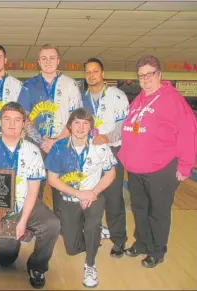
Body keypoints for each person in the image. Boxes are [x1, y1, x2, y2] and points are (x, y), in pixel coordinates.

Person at [0, 102, 60, 289]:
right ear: (0, 123)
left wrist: (23, 220)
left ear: (23, 124)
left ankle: (37, 266)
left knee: (52, 224)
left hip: (27, 204)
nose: (12, 124)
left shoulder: (32, 151)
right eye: (7, 119)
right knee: (5, 260)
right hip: (0, 210)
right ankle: (14, 242)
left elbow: (34, 190)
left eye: (17, 120)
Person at [118, 55, 197, 268]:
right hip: (136, 168)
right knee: (140, 209)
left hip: (161, 168)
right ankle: (142, 243)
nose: (145, 79)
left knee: (158, 212)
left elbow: (189, 131)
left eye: (149, 74)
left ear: (159, 74)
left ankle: (157, 250)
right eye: (141, 76)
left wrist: (185, 165)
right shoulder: (139, 99)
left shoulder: (172, 99)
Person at [46, 108, 117, 288]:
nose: (81, 127)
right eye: (77, 122)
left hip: (93, 197)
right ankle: (95, 234)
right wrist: (79, 194)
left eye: (85, 123)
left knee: (92, 225)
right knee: (71, 248)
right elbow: (52, 179)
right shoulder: (59, 147)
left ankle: (91, 264)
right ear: (70, 125)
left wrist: (92, 193)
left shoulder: (100, 146)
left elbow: (111, 174)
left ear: (90, 127)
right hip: (70, 199)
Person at [18, 43, 82, 209]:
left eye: (52, 58)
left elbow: (76, 117)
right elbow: (23, 117)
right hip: (35, 145)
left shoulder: (70, 84)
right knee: (33, 189)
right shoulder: (28, 86)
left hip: (63, 144)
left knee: (63, 188)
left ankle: (64, 225)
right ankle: (33, 225)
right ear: (38, 61)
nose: (48, 61)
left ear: (58, 60)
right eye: (44, 58)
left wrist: (57, 140)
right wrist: (42, 141)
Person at [82, 57, 129, 256]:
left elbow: (123, 127)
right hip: (88, 156)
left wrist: (106, 137)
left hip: (111, 153)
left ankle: (119, 240)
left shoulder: (117, 96)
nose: (91, 75)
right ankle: (92, 235)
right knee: (88, 197)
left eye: (95, 71)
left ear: (102, 73)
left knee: (113, 199)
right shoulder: (80, 98)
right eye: (88, 72)